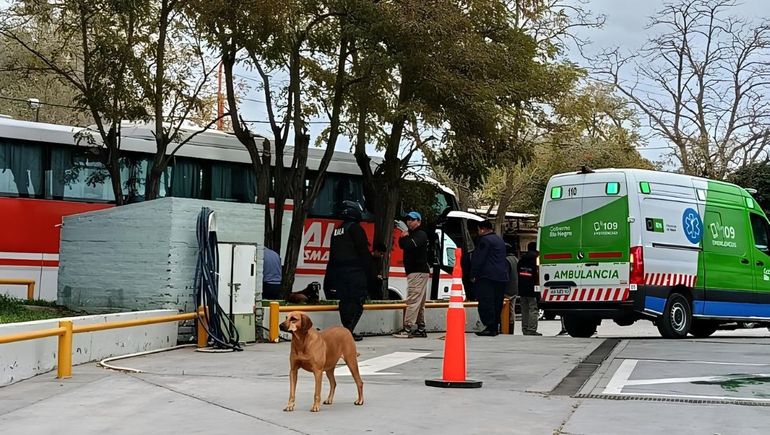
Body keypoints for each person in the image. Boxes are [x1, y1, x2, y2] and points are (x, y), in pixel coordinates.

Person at [324, 201, 370, 341]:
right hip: (354, 273)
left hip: (339, 273)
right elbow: (363, 253)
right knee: (357, 302)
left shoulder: (337, 230)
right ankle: (348, 332)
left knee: (344, 303)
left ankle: (347, 330)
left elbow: (332, 256)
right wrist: (371, 273)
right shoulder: (355, 229)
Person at [393, 211, 430, 338]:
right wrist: (405, 235)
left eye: (412, 219)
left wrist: (405, 235)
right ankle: (421, 327)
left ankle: (407, 328)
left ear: (419, 221)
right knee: (419, 301)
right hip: (416, 271)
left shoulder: (421, 234)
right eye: (408, 219)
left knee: (413, 299)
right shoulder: (410, 234)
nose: (409, 221)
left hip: (418, 271)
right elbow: (402, 245)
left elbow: (410, 245)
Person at [471, 220, 509, 336]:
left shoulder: (485, 241)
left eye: (478, 230)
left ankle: (489, 326)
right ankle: (494, 327)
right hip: (501, 277)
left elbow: (479, 259)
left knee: (486, 302)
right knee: (497, 302)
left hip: (487, 276)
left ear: (482, 229)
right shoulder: (499, 240)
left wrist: (473, 274)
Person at [518, 241, 541, 336]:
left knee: (524, 309)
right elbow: (538, 273)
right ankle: (531, 329)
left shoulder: (521, 259)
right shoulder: (536, 259)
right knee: (533, 308)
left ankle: (525, 329)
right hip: (533, 287)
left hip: (522, 287)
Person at [504, 243, 519, 334]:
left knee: (507, 310)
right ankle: (511, 327)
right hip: (515, 288)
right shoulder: (516, 260)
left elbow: (505, 275)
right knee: (512, 309)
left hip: (507, 289)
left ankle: (507, 327)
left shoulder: (506, 260)